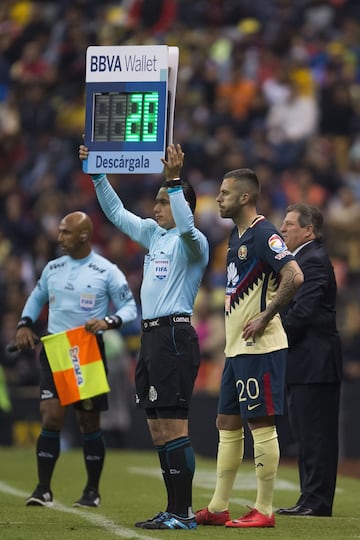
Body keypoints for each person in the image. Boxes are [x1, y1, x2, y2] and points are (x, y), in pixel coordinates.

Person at [79, 143, 209, 530]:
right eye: (156, 201)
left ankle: (183, 513)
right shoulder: (155, 236)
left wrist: (173, 180)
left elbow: (186, 225)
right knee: (157, 428)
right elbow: (118, 214)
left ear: (182, 204)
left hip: (174, 334)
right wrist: (98, 174)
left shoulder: (194, 242)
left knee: (174, 426)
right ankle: (173, 509)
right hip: (151, 338)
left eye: (164, 202)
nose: (156, 207)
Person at [195, 168, 304, 528]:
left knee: (259, 424)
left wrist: (268, 315)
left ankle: (265, 509)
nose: (219, 198)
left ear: (244, 197)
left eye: (224, 193)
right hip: (235, 349)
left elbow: (294, 274)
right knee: (225, 422)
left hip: (261, 346)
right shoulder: (235, 236)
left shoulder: (263, 234)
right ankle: (218, 506)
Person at [15, 211, 137, 508]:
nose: (59, 238)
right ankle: (43, 489)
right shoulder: (53, 268)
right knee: (51, 415)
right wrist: (24, 324)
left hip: (87, 351)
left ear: (83, 236)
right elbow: (36, 297)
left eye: (66, 232)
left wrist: (108, 321)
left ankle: (92, 491)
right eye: (59, 231)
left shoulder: (106, 270)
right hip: (55, 348)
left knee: (88, 422)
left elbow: (130, 308)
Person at [277, 203, 342, 516]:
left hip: (315, 363)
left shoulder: (312, 260)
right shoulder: (302, 259)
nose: (283, 228)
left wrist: (272, 336)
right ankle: (309, 498)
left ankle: (317, 501)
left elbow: (302, 313)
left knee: (316, 435)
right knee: (305, 434)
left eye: (289, 224)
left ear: (309, 230)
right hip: (305, 363)